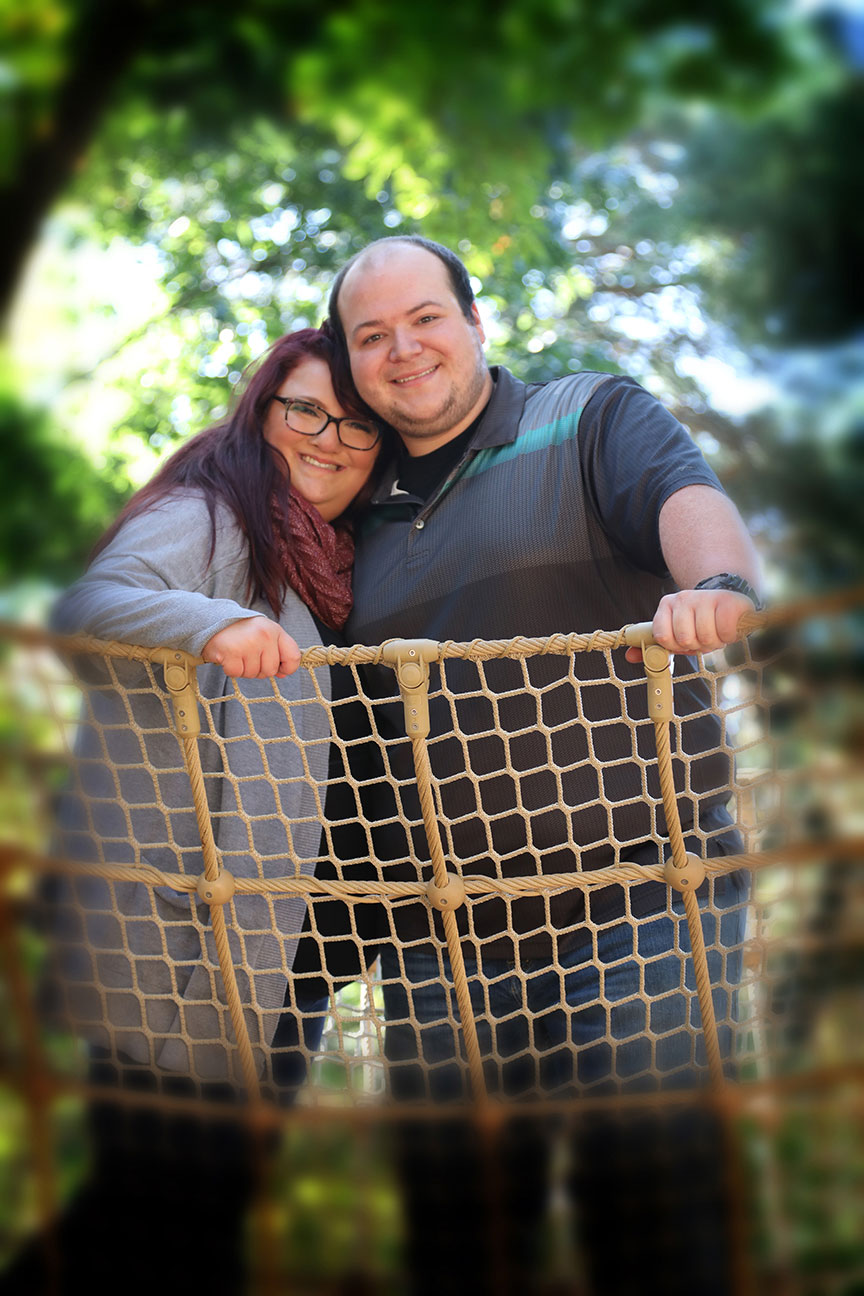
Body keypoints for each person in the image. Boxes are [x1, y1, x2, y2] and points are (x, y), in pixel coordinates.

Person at [326, 235, 764, 1295]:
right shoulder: (345, 506)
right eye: (371, 335)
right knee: (459, 1228)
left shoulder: (587, 417)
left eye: (426, 318)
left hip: (644, 890)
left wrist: (713, 582)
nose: (403, 349)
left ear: (475, 325)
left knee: (651, 1199)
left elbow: (684, 494)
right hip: (445, 930)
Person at [6, 326, 392, 1295]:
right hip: (179, 943)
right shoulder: (216, 517)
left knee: (196, 1219)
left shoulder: (328, 568)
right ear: (261, 412)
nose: (329, 438)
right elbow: (94, 604)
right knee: (160, 1212)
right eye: (305, 408)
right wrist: (217, 622)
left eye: (358, 426)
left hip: (282, 960)